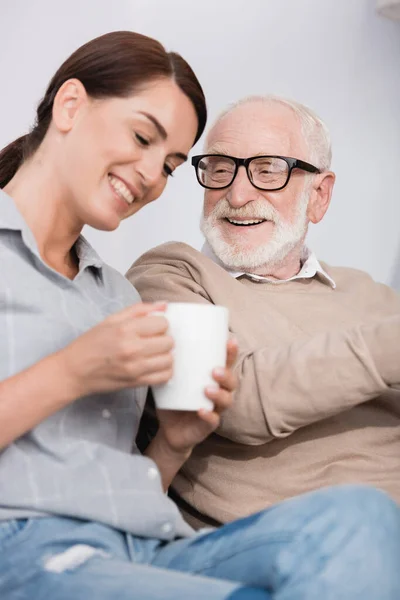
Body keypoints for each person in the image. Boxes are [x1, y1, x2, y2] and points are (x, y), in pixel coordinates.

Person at [0, 36, 399, 598]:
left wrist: (174, 444)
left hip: (146, 544)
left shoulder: (110, 294)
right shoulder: (166, 277)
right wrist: (72, 370)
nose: (149, 177)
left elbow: (123, 491)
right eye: (141, 138)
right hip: (32, 547)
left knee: (361, 515)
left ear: (320, 196)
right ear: (70, 106)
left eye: (168, 164)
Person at [127, 94, 400, 546]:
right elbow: (233, 402)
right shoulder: (171, 274)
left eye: (268, 169)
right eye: (219, 168)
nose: (236, 193)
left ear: (320, 194)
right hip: (290, 544)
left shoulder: (371, 296)